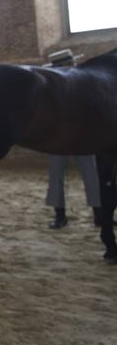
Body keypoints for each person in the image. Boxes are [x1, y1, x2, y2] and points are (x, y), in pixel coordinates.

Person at [41, 49, 103, 230]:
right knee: (58, 176)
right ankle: (61, 215)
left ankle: (98, 214)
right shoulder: (52, 89)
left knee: (90, 176)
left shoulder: (81, 86)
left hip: (78, 137)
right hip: (62, 137)